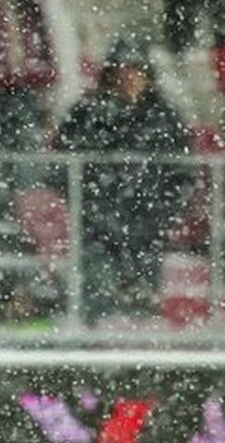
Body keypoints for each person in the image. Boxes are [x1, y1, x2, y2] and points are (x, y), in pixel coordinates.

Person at [55, 36, 192, 324]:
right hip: (97, 230)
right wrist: (92, 207)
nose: (128, 78)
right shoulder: (87, 113)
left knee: (142, 311)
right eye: (121, 71)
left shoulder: (164, 117)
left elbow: (182, 175)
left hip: (146, 230)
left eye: (134, 70)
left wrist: (160, 215)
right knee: (98, 305)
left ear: (147, 75)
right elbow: (64, 164)